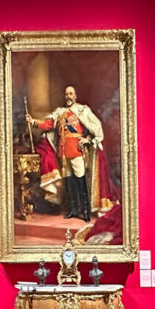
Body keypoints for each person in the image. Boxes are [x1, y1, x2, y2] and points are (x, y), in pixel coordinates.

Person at [27, 86, 104, 222]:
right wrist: (33, 122)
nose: (68, 96)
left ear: (75, 96)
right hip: (63, 151)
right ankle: (73, 209)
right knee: (69, 182)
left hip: (76, 150)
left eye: (71, 94)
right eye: (66, 94)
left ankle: (84, 210)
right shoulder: (60, 112)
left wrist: (88, 139)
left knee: (80, 181)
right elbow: (48, 125)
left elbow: (96, 126)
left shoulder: (82, 110)